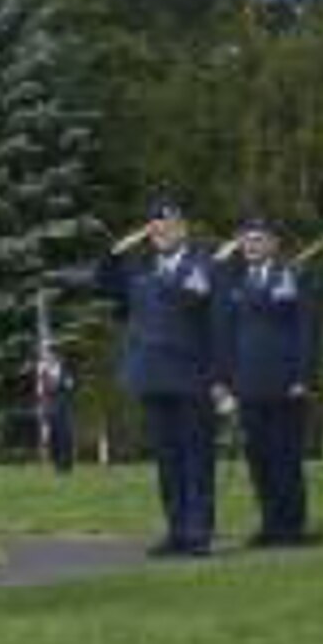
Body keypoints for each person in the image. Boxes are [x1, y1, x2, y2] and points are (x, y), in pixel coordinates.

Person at [95, 198, 220, 558]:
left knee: (196, 458)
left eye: (169, 227)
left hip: (191, 375)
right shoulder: (140, 272)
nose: (162, 234)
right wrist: (120, 249)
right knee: (167, 461)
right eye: (156, 229)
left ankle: (199, 533)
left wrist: (221, 378)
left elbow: (204, 312)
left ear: (183, 229)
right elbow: (103, 284)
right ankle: (177, 530)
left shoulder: (202, 267)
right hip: (152, 377)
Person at [214, 215, 320, 547]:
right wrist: (225, 382)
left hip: (285, 381)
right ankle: (270, 524)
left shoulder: (294, 275)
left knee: (286, 457)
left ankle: (293, 527)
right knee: (258, 459)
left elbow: (307, 330)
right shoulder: (235, 282)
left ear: (274, 243)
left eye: (258, 239)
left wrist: (303, 376)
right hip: (248, 383)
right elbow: (227, 336)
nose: (251, 245)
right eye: (245, 240)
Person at [38, 352, 77, 475]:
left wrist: (64, 384)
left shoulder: (66, 372)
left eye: (50, 359)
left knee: (65, 438)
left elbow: (71, 386)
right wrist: (43, 410)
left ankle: (67, 466)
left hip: (64, 410)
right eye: (47, 360)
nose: (48, 362)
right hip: (51, 410)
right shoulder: (44, 374)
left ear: (56, 360)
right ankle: (57, 466)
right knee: (54, 439)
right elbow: (43, 393)